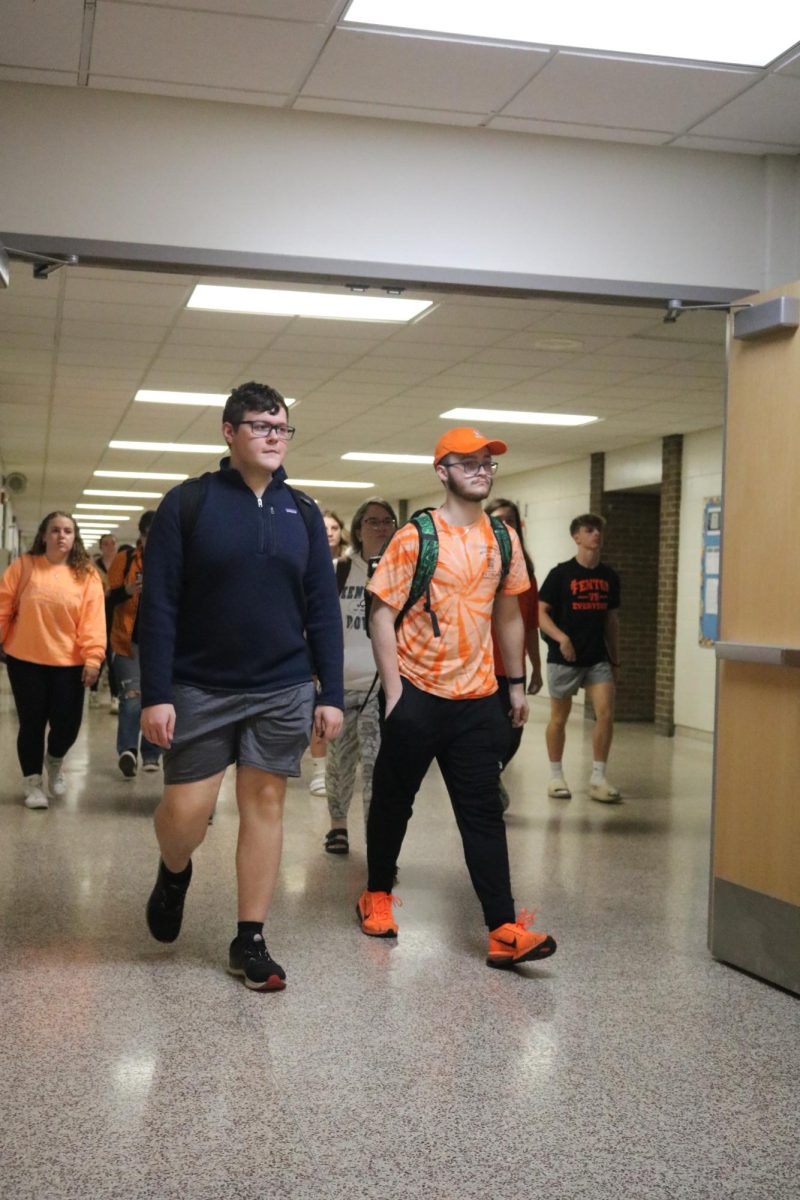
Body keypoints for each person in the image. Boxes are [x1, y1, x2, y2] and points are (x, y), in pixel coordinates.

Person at [139, 380, 343, 992]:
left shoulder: (303, 512)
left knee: (265, 805)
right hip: (199, 685)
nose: (275, 438)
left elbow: (322, 608)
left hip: (281, 686)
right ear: (230, 433)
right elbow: (160, 605)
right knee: (186, 813)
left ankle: (250, 938)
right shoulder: (189, 503)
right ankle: (174, 871)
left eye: (283, 428)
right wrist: (156, 692)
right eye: (262, 426)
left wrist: (328, 693)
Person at [357, 427, 557, 970]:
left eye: (487, 463)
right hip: (417, 691)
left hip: (477, 698)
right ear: (441, 471)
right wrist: (395, 691)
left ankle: (502, 929)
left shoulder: (503, 539)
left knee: (483, 812)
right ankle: (376, 894)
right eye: (467, 462)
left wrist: (514, 685)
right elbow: (380, 612)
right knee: (395, 802)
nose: (481, 470)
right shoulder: (416, 536)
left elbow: (509, 612)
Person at [0, 512, 105, 809]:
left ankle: (54, 760)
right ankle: (32, 784)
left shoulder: (86, 575)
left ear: (75, 538)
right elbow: (3, 606)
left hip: (69, 663)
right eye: (55, 530)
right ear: (43, 536)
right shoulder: (24, 566)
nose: (61, 536)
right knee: (32, 723)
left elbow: (93, 622)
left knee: (67, 725)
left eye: (68, 531)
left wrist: (93, 659)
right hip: (26, 660)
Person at [323, 498, 397, 856]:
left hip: (380, 685)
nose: (380, 527)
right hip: (339, 683)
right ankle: (338, 826)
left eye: (387, 521)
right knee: (339, 764)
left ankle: (376, 841)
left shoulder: (402, 570)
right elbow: (318, 624)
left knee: (375, 766)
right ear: (358, 527)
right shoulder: (339, 569)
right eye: (372, 521)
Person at [538, 513, 621, 803]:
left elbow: (611, 620)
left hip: (597, 656)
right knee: (559, 718)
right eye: (589, 530)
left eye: (598, 530)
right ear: (576, 537)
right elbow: (540, 613)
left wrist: (615, 658)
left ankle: (598, 777)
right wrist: (561, 638)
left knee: (606, 714)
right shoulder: (560, 574)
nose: (596, 534)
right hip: (564, 658)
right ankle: (556, 776)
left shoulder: (609, 576)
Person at [485, 497, 543, 810]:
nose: (504, 525)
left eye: (509, 519)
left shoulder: (527, 574)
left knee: (513, 733)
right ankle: (486, 780)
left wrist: (535, 666)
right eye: (497, 520)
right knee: (491, 732)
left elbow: (530, 624)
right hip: (482, 668)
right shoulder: (479, 566)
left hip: (512, 669)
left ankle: (492, 774)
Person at [107, 511, 161, 778]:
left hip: (161, 642)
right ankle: (128, 751)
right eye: (151, 535)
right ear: (141, 535)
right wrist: (127, 591)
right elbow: (107, 597)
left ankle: (152, 752)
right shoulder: (125, 559)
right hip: (127, 641)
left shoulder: (173, 558)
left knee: (155, 696)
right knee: (132, 697)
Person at [89, 532, 118, 709]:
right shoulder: (93, 566)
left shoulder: (120, 565)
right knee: (98, 655)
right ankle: (93, 691)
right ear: (101, 546)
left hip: (116, 615)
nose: (109, 547)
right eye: (105, 544)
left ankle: (115, 695)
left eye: (112, 544)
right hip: (97, 615)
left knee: (113, 658)